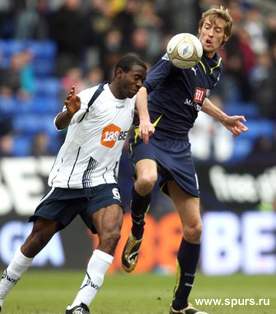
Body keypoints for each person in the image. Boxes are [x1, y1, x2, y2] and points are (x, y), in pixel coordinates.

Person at [0, 55, 147, 314]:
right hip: (69, 181)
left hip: (102, 181)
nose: (139, 85)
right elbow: (58, 123)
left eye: (143, 81)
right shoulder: (92, 97)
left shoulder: (135, 102)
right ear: (119, 73)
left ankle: (79, 305)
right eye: (136, 78)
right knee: (36, 240)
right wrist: (68, 113)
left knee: (112, 233)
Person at [121, 6, 248, 314]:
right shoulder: (183, 51)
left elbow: (197, 98)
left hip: (179, 145)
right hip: (152, 133)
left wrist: (223, 118)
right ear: (199, 28)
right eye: (206, 27)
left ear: (224, 38)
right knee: (147, 179)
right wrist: (145, 120)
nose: (210, 33)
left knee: (195, 228)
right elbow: (142, 90)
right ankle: (137, 231)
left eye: (217, 31)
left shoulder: (215, 66)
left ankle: (179, 306)